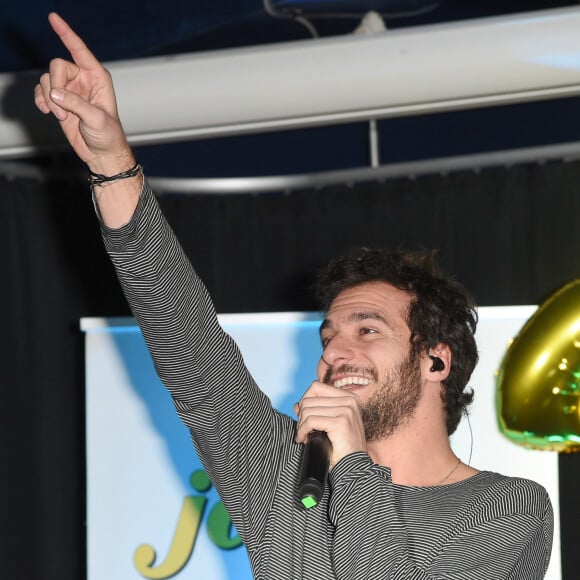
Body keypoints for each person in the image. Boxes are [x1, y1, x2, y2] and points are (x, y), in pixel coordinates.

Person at [35, 12, 553, 579]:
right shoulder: (284, 477)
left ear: (435, 358)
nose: (335, 352)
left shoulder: (506, 509)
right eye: (328, 336)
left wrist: (353, 463)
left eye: (368, 329)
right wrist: (111, 162)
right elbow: (191, 344)